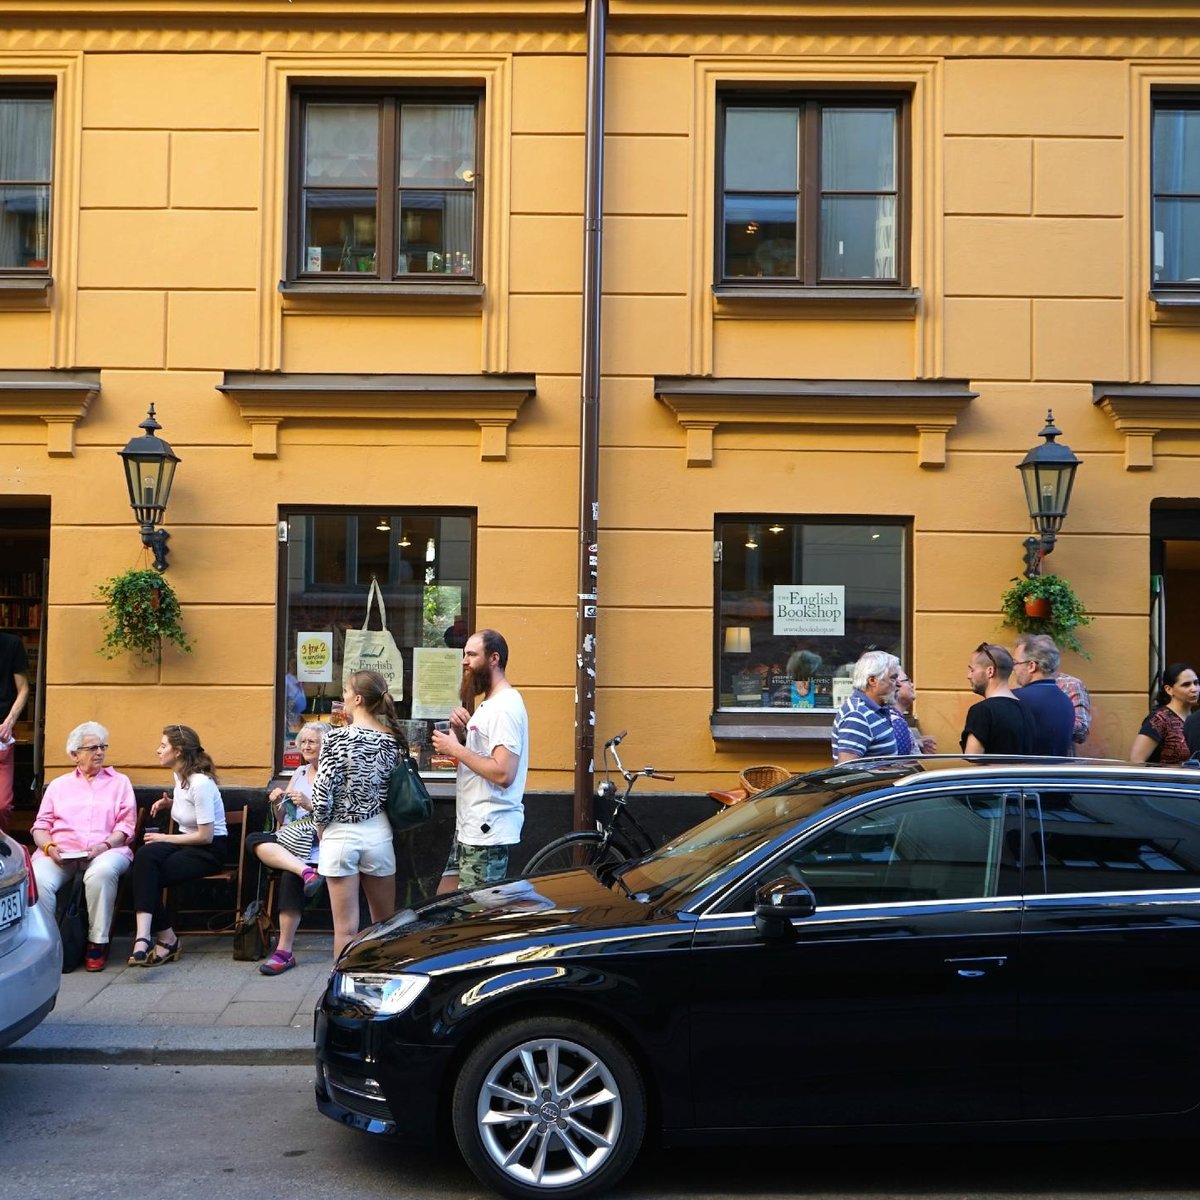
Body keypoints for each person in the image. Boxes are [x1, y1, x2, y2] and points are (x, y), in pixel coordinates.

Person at [30, 722, 136, 972]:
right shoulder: (59, 785)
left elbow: (127, 826)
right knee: (38, 877)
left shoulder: (119, 782)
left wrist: (104, 845)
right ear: (74, 755)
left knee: (99, 873)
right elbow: (40, 826)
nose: (99, 752)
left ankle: (96, 942)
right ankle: (48, 943)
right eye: (92, 748)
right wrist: (49, 848)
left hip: (108, 850)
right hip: (62, 852)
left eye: (102, 747)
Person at [311, 670, 401, 960]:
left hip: (340, 834)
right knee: (385, 927)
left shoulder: (336, 740)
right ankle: (385, 990)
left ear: (358, 698)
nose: (343, 698)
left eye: (346, 692)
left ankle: (341, 996)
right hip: (378, 832)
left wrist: (321, 829)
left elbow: (323, 793)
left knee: (345, 931)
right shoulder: (392, 740)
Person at [431, 629, 529, 892]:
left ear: (494, 658)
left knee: (477, 915)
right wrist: (461, 734)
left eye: (472, 655)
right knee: (443, 901)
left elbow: (504, 773)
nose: (465, 661)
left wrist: (454, 748)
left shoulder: (505, 708)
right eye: (464, 654)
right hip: (470, 826)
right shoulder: (490, 703)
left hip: (487, 830)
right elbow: (483, 757)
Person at [127, 724, 227, 967]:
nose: (158, 750)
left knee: (148, 873)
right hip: (186, 843)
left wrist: (164, 838)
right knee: (144, 858)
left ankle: (165, 938)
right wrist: (170, 803)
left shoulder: (200, 783)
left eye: (163, 746)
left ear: (179, 751)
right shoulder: (179, 775)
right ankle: (144, 937)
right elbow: (192, 810)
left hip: (209, 850)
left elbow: (205, 836)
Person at [246, 721, 326, 976]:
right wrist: (279, 802)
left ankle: (284, 951)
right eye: (302, 742)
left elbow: (335, 814)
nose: (306, 746)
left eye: (311, 742)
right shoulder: (300, 773)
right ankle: (305, 872)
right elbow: (283, 820)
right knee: (253, 839)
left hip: (319, 843)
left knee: (290, 874)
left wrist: (310, 803)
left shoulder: (333, 773)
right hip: (293, 842)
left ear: (326, 744)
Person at [961, 642, 1037, 755]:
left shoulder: (982, 711)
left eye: (972, 670)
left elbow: (972, 761)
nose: (969, 675)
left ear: (990, 671)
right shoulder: (1026, 710)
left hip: (990, 774)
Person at [1012, 633, 1076, 757]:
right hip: (1057, 774)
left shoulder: (1015, 699)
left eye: (1016, 663)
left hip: (1023, 774)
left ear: (1031, 666)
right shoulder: (1066, 701)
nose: (1014, 668)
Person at [831, 650, 900, 763]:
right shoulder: (858, 715)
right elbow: (847, 772)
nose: (898, 684)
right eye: (893, 678)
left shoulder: (877, 709)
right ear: (873, 680)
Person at [1130, 662, 1199, 765]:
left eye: (1196, 683)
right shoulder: (1159, 720)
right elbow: (1136, 761)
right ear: (1169, 690)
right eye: (1186, 685)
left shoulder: (1195, 719)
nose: (1194, 689)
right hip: (1167, 780)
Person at [0, 629, 29, 832]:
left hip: (1, 737)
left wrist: (10, 721)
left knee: (2, 806)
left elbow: (24, 688)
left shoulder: (11, 643)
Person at [891, 668, 937, 755]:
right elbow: (901, 764)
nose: (912, 685)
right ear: (896, 685)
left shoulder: (893, 719)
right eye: (907, 680)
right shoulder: (896, 722)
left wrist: (916, 744)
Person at [1056, 669, 1092, 752]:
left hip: (1059, 760)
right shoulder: (1022, 687)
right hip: (1024, 761)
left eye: (1018, 663)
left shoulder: (1070, 684)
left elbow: (1081, 731)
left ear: (1032, 665)